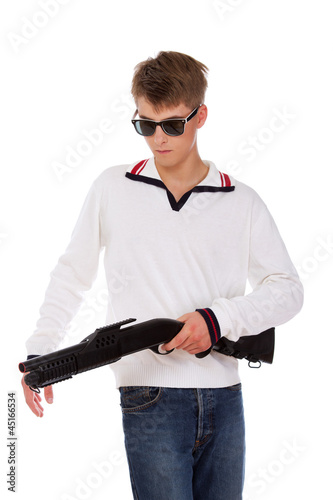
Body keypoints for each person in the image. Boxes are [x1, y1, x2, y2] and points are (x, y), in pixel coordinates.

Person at [21, 51, 303, 499]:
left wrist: (216, 321)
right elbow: (71, 274)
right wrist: (40, 353)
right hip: (147, 396)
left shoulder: (242, 200)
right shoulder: (112, 187)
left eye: (172, 125)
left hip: (225, 395)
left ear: (200, 115)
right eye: (145, 125)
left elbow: (288, 291)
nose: (158, 138)